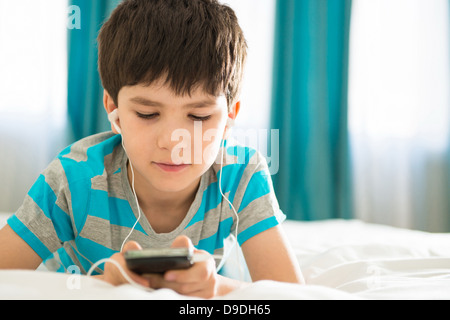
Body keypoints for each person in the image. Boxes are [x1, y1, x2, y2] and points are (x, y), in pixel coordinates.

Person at [0, 0, 303, 298]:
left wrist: (218, 288)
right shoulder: (71, 180)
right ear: (113, 108)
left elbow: (292, 294)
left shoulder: (242, 175)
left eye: (198, 117)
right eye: (147, 114)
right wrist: (101, 285)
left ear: (229, 118)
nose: (172, 140)